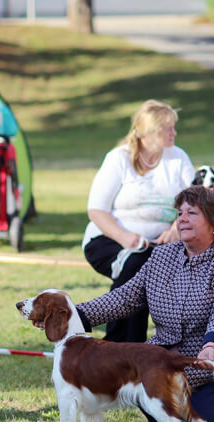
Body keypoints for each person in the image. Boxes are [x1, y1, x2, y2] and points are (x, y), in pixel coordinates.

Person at [74, 186, 214, 422]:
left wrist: (211, 345)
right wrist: (75, 315)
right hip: (165, 365)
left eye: (191, 212)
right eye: (179, 212)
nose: (182, 218)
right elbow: (125, 298)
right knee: (148, 384)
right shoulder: (161, 256)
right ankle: (162, 421)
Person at [82, 99, 195, 343]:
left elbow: (194, 202)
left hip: (161, 246)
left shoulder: (178, 158)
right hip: (109, 239)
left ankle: (124, 349)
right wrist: (127, 239)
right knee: (138, 265)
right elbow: (97, 210)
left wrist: (176, 228)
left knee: (144, 265)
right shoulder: (118, 158)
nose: (174, 133)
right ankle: (124, 346)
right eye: (169, 128)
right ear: (150, 133)